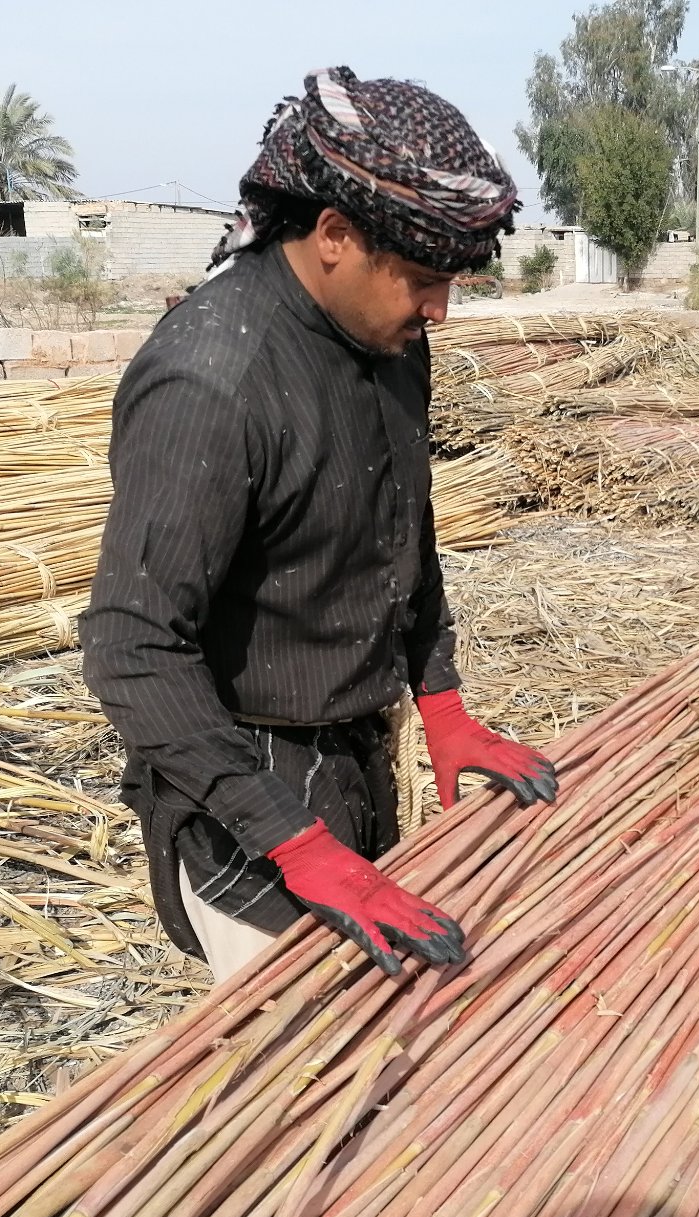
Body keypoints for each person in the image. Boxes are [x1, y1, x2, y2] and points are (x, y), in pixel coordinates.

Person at [83, 67, 557, 984]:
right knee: (291, 1074)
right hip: (243, 782)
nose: (439, 310)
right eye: (423, 279)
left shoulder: (389, 345)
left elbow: (400, 535)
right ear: (335, 234)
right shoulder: (211, 380)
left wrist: (443, 702)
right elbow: (131, 646)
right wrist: (292, 840)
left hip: (355, 749)